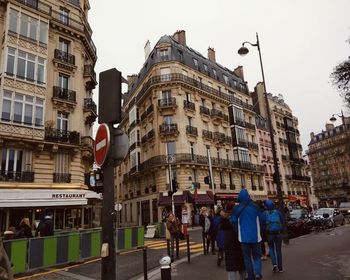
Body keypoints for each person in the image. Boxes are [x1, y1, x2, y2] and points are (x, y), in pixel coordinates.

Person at [229, 189, 264, 280]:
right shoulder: (255, 207)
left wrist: (237, 231)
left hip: (243, 237)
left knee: (247, 258)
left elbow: (232, 221)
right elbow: (261, 220)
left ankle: (251, 277)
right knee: (257, 256)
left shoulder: (236, 208)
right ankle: (257, 273)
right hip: (256, 237)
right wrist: (261, 232)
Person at [222, 202, 245, 280]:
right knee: (241, 264)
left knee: (231, 265)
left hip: (228, 243)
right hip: (238, 241)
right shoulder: (238, 217)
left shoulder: (223, 218)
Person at [263, 199, 284, 273]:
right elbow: (282, 221)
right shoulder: (277, 212)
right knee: (278, 251)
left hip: (270, 234)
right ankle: (280, 268)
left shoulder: (264, 213)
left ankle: (274, 264)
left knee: (271, 249)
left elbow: (262, 224)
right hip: (278, 233)